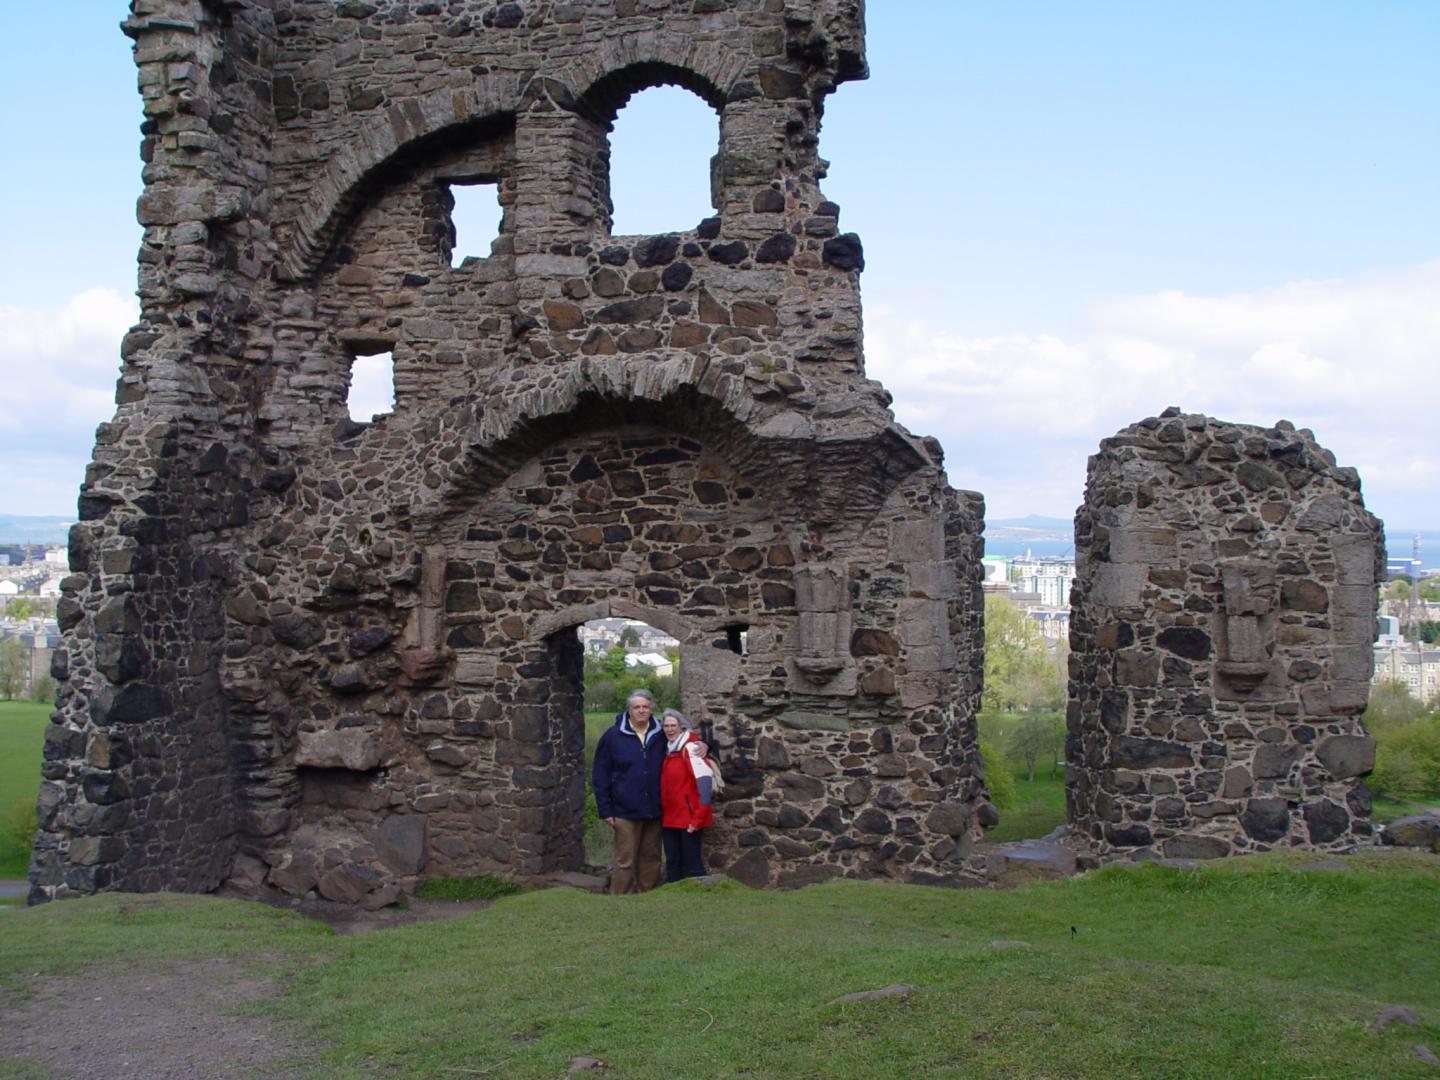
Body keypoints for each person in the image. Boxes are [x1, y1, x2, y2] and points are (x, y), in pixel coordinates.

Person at [591, 688, 665, 894]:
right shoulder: (613, 736)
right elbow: (600, 774)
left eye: (645, 707)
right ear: (629, 710)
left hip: (654, 807)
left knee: (651, 857)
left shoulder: (661, 734)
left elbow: (686, 743)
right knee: (625, 859)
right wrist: (605, 810)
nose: (641, 711)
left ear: (651, 709)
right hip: (624, 809)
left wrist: (705, 746)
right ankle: (620, 898)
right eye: (637, 707)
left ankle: (646, 895)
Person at [659, 708, 714, 882]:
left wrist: (697, 820)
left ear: (682, 727)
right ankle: (675, 901)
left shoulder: (691, 749)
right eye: (666, 726)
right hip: (670, 818)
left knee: (693, 865)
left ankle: (704, 900)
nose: (669, 729)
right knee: (673, 863)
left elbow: (705, 786)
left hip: (689, 818)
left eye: (673, 725)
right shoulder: (669, 750)